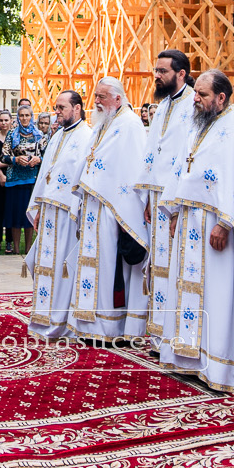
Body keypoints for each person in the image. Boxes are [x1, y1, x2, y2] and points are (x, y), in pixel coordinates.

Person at [155, 69, 234, 390]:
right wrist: (174, 210)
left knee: (218, 295)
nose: (196, 99)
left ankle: (223, 366)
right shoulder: (198, 124)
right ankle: (189, 358)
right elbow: (182, 168)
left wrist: (227, 223)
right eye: (195, 93)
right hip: (190, 221)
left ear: (221, 98)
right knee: (187, 291)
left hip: (219, 228)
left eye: (202, 94)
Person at [72, 77, 150, 342]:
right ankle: (88, 324)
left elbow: (131, 167)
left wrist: (121, 206)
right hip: (95, 205)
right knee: (95, 264)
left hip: (113, 207)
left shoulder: (129, 124)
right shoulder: (103, 123)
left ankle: (108, 327)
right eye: (96, 96)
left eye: (102, 96)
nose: (96, 101)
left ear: (118, 98)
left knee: (108, 266)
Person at [139, 48, 198, 368]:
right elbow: (153, 156)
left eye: (162, 71)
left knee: (177, 268)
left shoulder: (194, 105)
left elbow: (187, 157)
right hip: (158, 201)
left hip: (178, 202)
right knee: (159, 266)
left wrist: (174, 203)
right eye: (156, 71)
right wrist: (149, 199)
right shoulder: (161, 108)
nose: (157, 76)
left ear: (181, 74)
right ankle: (159, 333)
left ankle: (176, 334)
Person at [26, 90, 91, 339]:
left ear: (77, 108)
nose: (57, 112)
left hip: (68, 215)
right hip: (49, 212)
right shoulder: (56, 136)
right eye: (56, 107)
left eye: (62, 107)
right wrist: (39, 207)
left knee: (63, 268)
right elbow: (45, 175)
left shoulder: (86, 136)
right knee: (46, 267)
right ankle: (43, 319)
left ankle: (62, 322)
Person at [1, 106, 42, 254]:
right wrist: (15, 159)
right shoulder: (12, 133)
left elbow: (46, 155)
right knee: (16, 215)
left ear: (31, 116)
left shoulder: (38, 135)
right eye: (21, 115)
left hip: (31, 179)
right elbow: (3, 155)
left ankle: (29, 249)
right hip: (15, 179)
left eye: (27, 115)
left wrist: (38, 159)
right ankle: (16, 249)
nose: (24, 118)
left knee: (29, 215)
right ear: (17, 117)